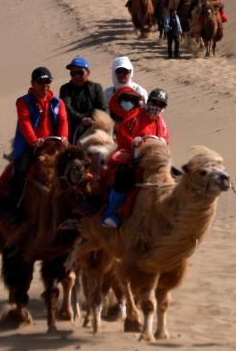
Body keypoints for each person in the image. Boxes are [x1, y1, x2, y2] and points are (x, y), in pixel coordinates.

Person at [0, 67, 68, 223]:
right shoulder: (24, 102)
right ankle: (11, 208)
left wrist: (64, 137)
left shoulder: (58, 103)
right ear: (33, 83)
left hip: (54, 145)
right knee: (20, 171)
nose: (45, 85)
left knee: (74, 166)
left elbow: (63, 121)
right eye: (41, 82)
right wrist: (34, 140)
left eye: (48, 81)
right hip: (31, 146)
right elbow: (25, 124)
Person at [102, 88, 170, 228]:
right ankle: (112, 213)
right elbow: (121, 134)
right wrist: (132, 141)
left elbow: (166, 140)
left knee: (173, 179)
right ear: (148, 101)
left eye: (160, 104)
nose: (156, 107)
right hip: (133, 154)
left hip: (153, 161)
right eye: (154, 102)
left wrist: (163, 143)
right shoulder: (135, 115)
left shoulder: (162, 125)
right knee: (123, 175)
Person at [59, 56, 106, 143]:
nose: (76, 76)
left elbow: (103, 108)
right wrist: (82, 119)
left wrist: (92, 120)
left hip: (95, 126)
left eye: (80, 72)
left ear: (88, 72)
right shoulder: (65, 89)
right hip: (73, 128)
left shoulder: (96, 88)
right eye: (73, 73)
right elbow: (67, 108)